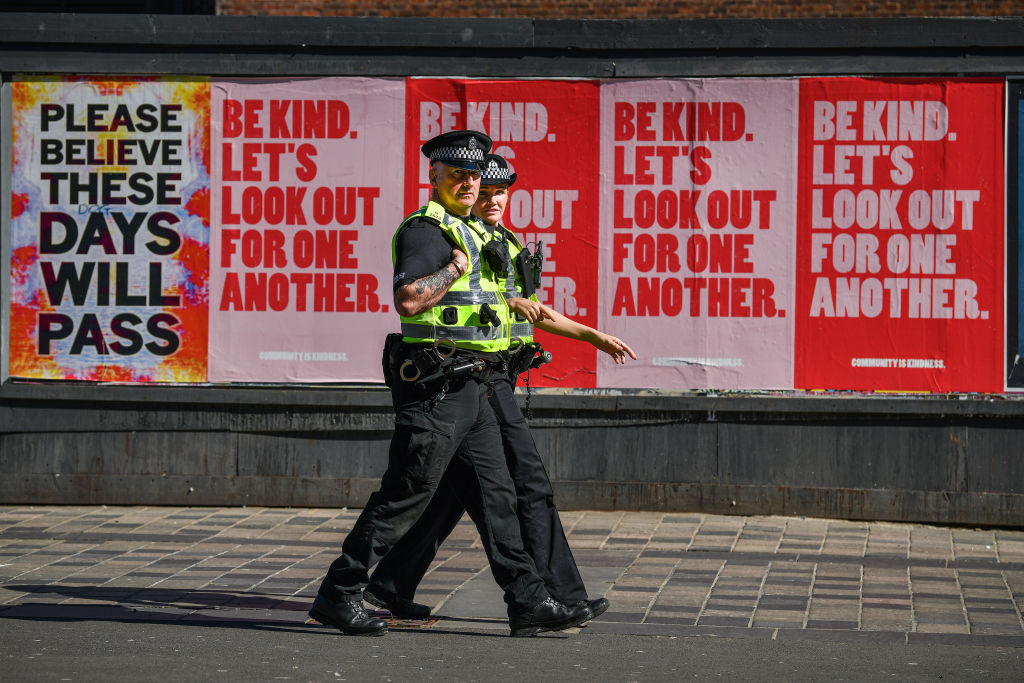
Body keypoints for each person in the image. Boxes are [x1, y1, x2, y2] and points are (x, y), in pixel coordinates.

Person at [309, 132, 590, 638]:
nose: (467, 183)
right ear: (434, 176)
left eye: (474, 174)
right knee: (408, 492)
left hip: (476, 383)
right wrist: (454, 267)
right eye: (456, 173)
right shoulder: (427, 230)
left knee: (497, 495)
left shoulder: (474, 229)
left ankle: (528, 603)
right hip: (437, 385)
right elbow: (410, 300)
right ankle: (340, 592)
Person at [363, 153, 636, 623]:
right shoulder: (441, 231)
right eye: (480, 191)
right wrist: (506, 299)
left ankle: (389, 586)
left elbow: (527, 307)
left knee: (452, 494)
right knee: (523, 486)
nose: (489, 199)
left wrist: (591, 335)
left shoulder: (500, 240)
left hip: (490, 377)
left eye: (497, 192)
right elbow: (430, 297)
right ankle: (553, 595)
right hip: (469, 379)